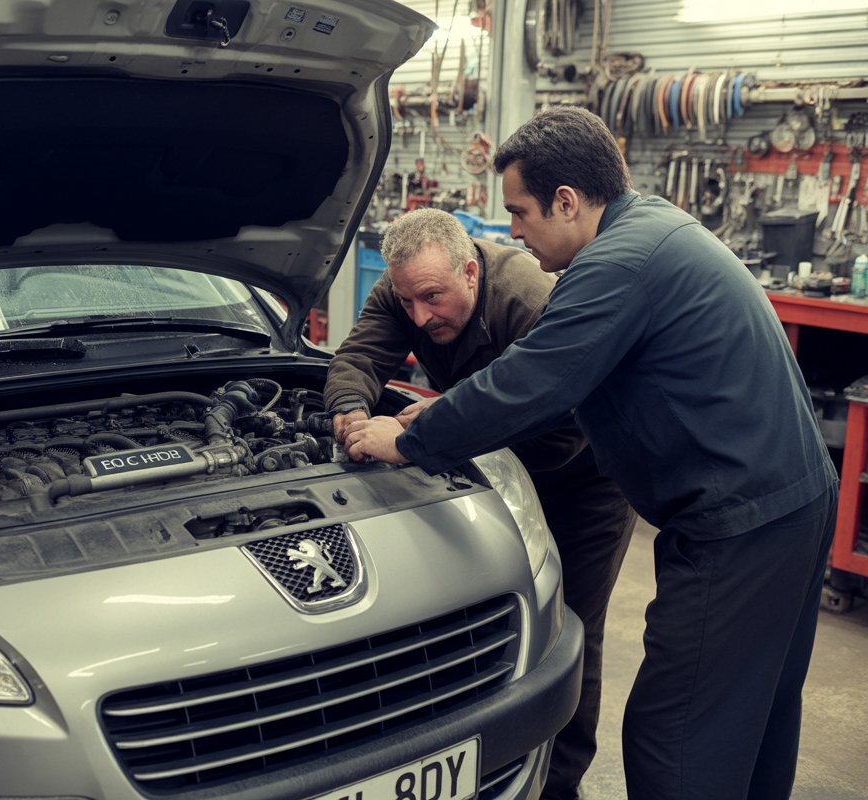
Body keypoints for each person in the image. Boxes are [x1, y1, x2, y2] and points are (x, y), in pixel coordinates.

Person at [344, 106, 839, 800]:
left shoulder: (614, 267)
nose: (512, 229)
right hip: (795, 498)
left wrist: (410, 438)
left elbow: (530, 381)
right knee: (756, 713)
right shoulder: (654, 227)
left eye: (519, 210)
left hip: (740, 520)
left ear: (567, 202)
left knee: (677, 737)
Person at [325, 208, 635, 800]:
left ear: (471, 271)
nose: (420, 316)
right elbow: (359, 358)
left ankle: (559, 784)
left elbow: (563, 430)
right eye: (408, 300)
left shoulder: (529, 302)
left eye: (433, 297)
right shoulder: (406, 289)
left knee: (570, 622)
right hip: (492, 458)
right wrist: (351, 411)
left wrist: (438, 432)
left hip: (585, 476)